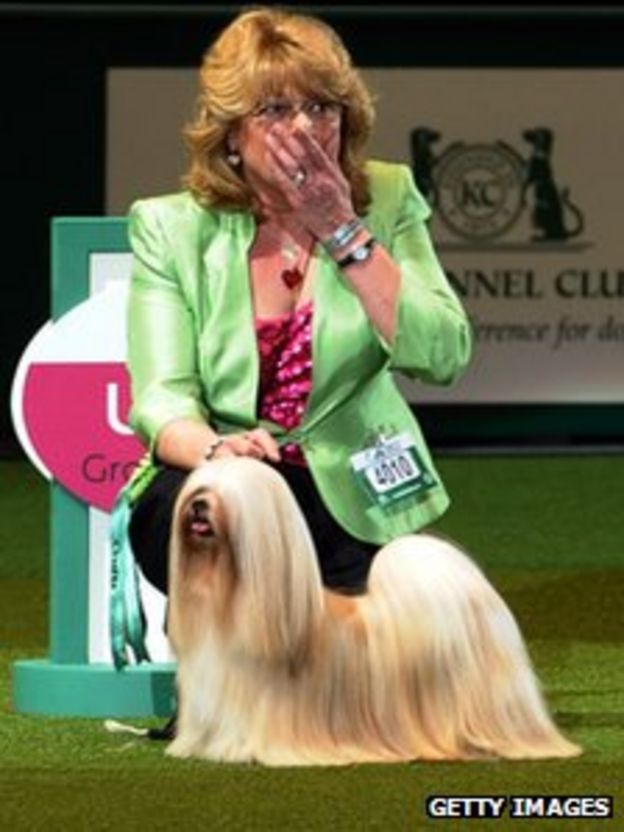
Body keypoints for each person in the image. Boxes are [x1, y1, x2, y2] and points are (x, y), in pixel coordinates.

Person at [122, 7, 472, 736]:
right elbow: (160, 401)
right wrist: (221, 451)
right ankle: (229, 681)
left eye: (322, 106)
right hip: (230, 477)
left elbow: (443, 356)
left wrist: (343, 228)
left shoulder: (389, 195)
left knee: (369, 703)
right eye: (277, 109)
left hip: (354, 480)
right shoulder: (172, 226)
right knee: (212, 496)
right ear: (230, 133)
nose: (306, 128)